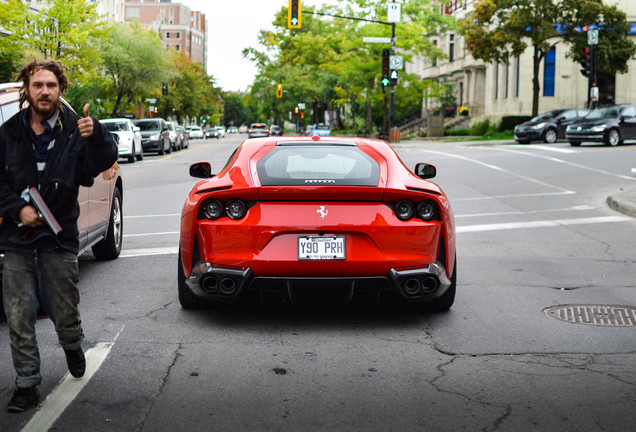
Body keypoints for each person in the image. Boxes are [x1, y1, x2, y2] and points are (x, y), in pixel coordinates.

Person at [0, 60, 118, 412]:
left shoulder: (73, 133)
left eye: (51, 85)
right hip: (16, 240)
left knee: (63, 308)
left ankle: (71, 342)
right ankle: (26, 384)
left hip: (59, 237)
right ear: (27, 89)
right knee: (19, 314)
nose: (45, 91)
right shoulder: (7, 134)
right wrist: (15, 208)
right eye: (37, 85)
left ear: (60, 89)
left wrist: (96, 133)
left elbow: (101, 161)